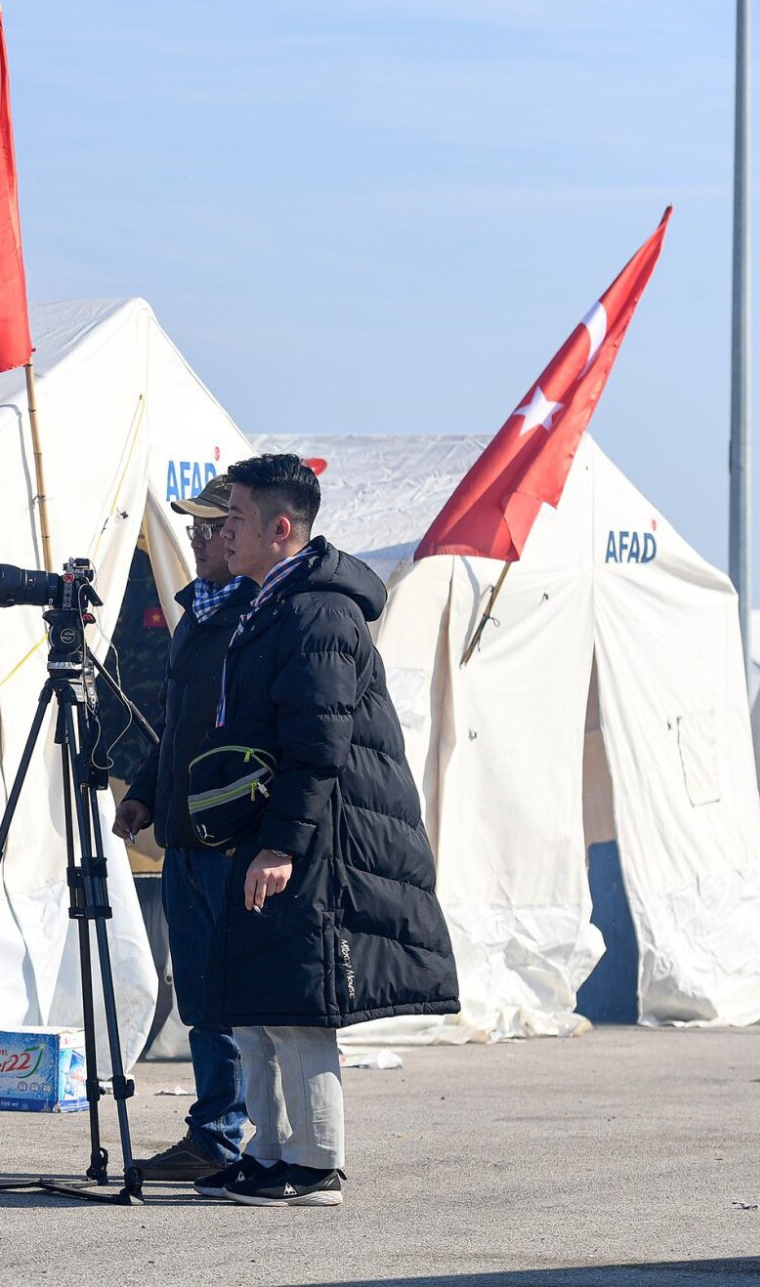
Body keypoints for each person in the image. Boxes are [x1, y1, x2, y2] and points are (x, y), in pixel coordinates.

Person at [199, 453, 458, 1208]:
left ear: (281, 528)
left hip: (314, 840)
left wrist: (281, 843)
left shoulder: (318, 610)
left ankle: (316, 1166)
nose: (225, 531)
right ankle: (269, 1151)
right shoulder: (269, 602)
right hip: (271, 828)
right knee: (256, 1004)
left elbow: (319, 742)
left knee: (300, 1007)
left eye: (238, 519)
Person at [112, 475, 258, 1182]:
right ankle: (215, 1133)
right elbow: (177, 726)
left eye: (209, 528)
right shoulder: (200, 613)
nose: (199, 539)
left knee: (239, 995)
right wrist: (144, 792)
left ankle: (245, 1136)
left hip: (234, 839)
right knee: (200, 992)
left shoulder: (259, 614)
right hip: (187, 838)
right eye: (196, 529)